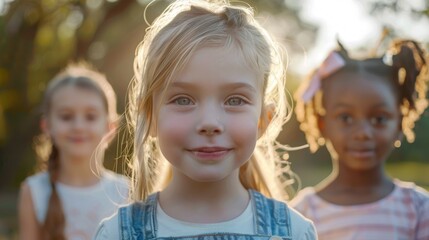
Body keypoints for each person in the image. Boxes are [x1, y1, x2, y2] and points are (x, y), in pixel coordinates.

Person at [94, 0, 317, 239]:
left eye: (234, 100)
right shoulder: (115, 233)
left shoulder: (295, 232)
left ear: (264, 119)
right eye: (183, 100)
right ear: (150, 117)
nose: (210, 122)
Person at [291, 39, 429, 239]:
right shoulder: (300, 215)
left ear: (400, 124)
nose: (362, 132)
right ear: (323, 125)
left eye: (379, 119)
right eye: (345, 118)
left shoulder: (419, 210)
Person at [18, 63, 129, 240]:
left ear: (110, 128)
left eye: (90, 116)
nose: (78, 126)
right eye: (66, 116)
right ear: (47, 126)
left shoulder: (126, 192)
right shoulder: (34, 191)